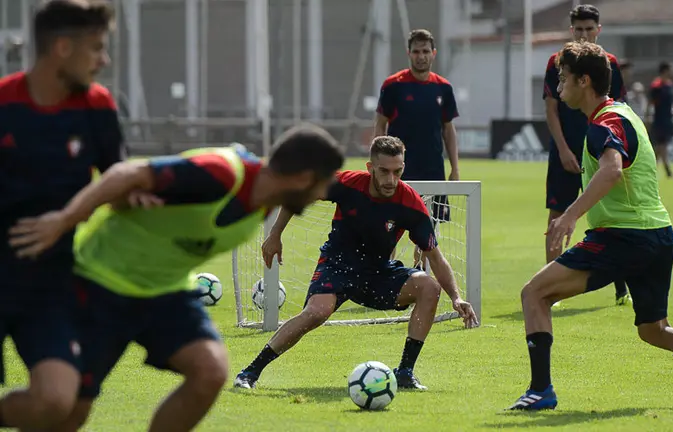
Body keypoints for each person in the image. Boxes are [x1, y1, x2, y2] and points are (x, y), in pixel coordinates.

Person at [8, 125, 345, 432]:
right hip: (101, 283)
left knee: (209, 370)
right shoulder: (221, 174)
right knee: (63, 414)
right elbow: (127, 172)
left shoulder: (264, 202)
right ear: (303, 177)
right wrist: (65, 219)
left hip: (165, 289)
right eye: (324, 181)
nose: (326, 190)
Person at [507, 41, 673, 411]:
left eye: (563, 79)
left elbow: (610, 169)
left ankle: (541, 390)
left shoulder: (604, 123)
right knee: (654, 330)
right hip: (659, 235)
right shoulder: (623, 111)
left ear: (584, 81)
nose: (558, 88)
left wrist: (570, 214)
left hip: (625, 238)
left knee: (534, 294)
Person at [234, 136, 478, 392]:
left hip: (377, 272)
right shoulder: (346, 183)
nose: (391, 180)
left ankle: (405, 372)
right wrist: (275, 235)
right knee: (316, 313)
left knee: (429, 287)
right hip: (337, 264)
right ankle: (251, 371)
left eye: (398, 171)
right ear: (370, 168)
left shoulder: (411, 204)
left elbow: (436, 258)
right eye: (384, 171)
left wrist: (457, 297)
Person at [0, 1, 123, 429]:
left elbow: (118, 180)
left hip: (47, 284)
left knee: (56, 401)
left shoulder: (97, 105)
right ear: (62, 48)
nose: (103, 60)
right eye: (96, 49)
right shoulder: (4, 103)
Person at [543, 4, 630, 306]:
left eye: (588, 29)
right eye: (578, 29)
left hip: (602, 151)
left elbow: (618, 109)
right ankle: (549, 289)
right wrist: (565, 149)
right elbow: (551, 109)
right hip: (565, 154)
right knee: (556, 217)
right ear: (571, 31)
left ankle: (621, 282)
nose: (583, 34)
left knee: (611, 216)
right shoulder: (557, 61)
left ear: (598, 30)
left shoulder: (610, 64)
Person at [373, 28, 460, 269]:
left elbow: (448, 129)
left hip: (433, 168)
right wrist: (377, 162)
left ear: (433, 53)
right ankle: (383, 271)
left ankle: (420, 274)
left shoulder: (443, 88)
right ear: (408, 54)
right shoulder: (393, 85)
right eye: (416, 51)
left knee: (428, 229)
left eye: (425, 51)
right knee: (390, 224)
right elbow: (380, 123)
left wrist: (454, 167)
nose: (421, 56)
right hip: (397, 170)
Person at [647, 61, 673, 179]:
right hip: (659, 119)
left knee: (660, 147)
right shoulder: (656, 85)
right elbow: (651, 103)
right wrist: (648, 116)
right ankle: (668, 172)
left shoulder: (669, 85)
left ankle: (650, 170)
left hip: (668, 119)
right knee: (662, 145)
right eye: (671, 69)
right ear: (665, 70)